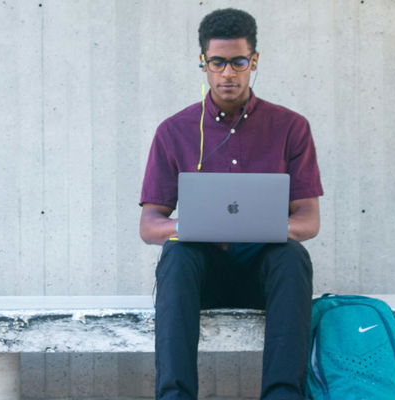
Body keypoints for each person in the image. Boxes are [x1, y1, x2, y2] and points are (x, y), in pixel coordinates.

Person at [138, 8, 323, 400]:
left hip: (264, 276)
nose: (228, 74)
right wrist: (193, 227)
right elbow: (150, 225)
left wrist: (265, 226)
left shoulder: (291, 127)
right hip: (202, 278)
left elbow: (308, 220)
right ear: (203, 63)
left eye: (238, 62)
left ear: (253, 62)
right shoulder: (174, 131)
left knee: (292, 257)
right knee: (175, 256)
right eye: (218, 62)